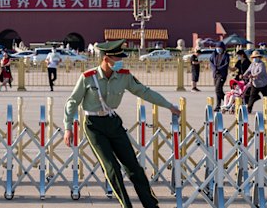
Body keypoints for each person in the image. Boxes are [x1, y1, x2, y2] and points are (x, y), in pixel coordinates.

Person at [63, 39, 181, 208]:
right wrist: (68, 128)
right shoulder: (88, 78)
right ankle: (126, 205)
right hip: (94, 125)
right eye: (117, 59)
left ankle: (151, 205)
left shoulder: (124, 76)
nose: (120, 62)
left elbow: (144, 92)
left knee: (133, 167)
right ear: (106, 59)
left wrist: (169, 106)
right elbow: (72, 102)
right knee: (112, 168)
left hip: (113, 123)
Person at [209, 41, 230, 111]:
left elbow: (226, 64)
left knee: (217, 89)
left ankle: (228, 101)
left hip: (222, 74)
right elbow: (211, 62)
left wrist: (219, 69)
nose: (218, 49)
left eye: (220, 48)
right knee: (218, 90)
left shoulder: (226, 55)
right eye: (217, 48)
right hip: (215, 74)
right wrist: (214, 69)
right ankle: (218, 105)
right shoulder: (214, 54)